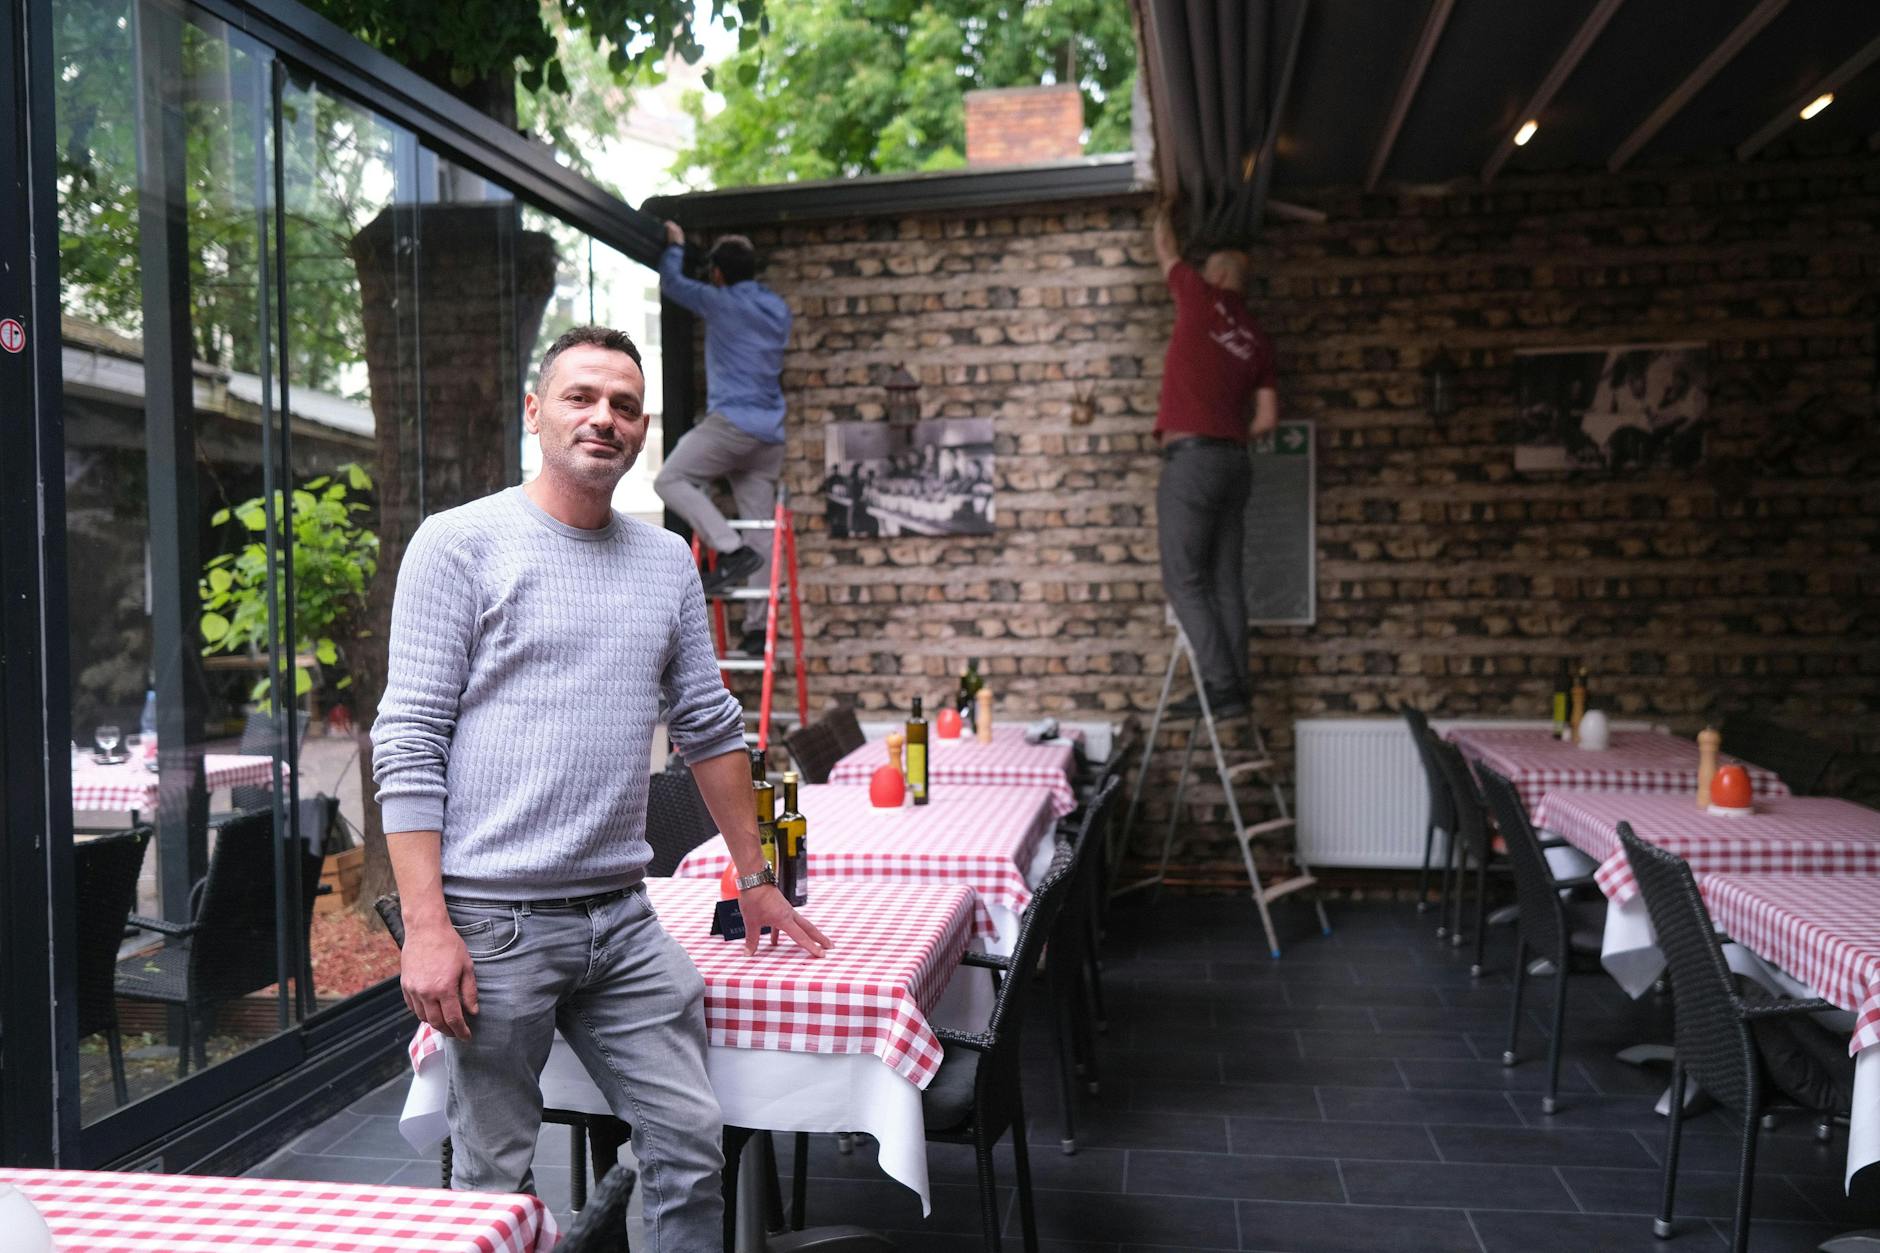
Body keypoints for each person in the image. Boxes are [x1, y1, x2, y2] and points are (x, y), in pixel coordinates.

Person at [372, 325, 831, 1251]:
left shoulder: (664, 560)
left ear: (643, 429)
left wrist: (757, 875)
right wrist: (427, 926)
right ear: (535, 412)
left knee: (691, 1141)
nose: (603, 417)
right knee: (494, 1176)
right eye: (580, 396)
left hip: (623, 919)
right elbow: (408, 740)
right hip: (495, 921)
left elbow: (709, 724)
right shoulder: (457, 543)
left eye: (623, 404)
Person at [1150, 205, 1279, 720]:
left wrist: (1165, 208)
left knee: (1184, 578)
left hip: (1194, 462)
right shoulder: (1258, 340)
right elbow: (1267, 419)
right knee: (1225, 578)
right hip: (1236, 464)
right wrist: (1229, 437)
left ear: (1220, 275)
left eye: (1208, 271)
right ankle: (1238, 685)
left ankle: (1222, 687)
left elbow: (1164, 247)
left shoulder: (1199, 298)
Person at [655, 221, 793, 656]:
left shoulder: (718, 302)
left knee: (669, 480)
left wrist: (676, 246)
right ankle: (756, 631)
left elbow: (673, 284)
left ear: (716, 273)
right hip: (769, 436)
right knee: (759, 524)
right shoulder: (777, 309)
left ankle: (730, 550)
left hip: (732, 424)